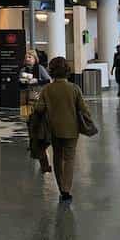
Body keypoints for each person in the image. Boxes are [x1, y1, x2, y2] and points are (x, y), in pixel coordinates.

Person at [33, 57, 92, 201]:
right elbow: (85, 110)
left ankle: (60, 187)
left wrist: (37, 101)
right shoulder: (74, 88)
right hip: (72, 129)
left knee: (57, 157)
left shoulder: (47, 89)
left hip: (53, 129)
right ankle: (67, 189)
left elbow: (39, 109)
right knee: (70, 158)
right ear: (67, 71)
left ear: (51, 71)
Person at [21, 50, 52, 172]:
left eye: (30, 56)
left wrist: (37, 81)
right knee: (28, 121)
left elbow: (48, 80)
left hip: (38, 98)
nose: (28, 58)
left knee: (38, 120)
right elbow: (20, 85)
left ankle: (39, 141)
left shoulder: (39, 68)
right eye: (26, 56)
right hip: (25, 99)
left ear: (35, 58)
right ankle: (31, 141)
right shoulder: (23, 70)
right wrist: (22, 82)